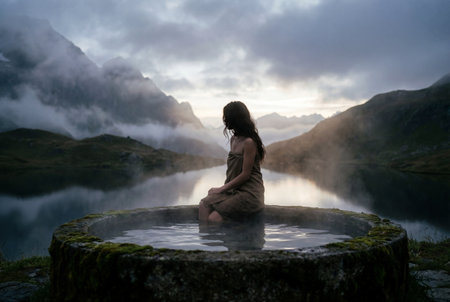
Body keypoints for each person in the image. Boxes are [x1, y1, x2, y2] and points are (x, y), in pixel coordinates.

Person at [199, 101, 265, 223]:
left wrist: (221, 189)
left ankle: (231, 240)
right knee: (204, 204)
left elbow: (245, 175)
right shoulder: (233, 139)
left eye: (227, 117)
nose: (225, 121)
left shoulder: (249, 142)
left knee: (214, 219)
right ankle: (205, 240)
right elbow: (233, 170)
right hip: (233, 191)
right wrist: (222, 190)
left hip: (250, 193)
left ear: (236, 119)